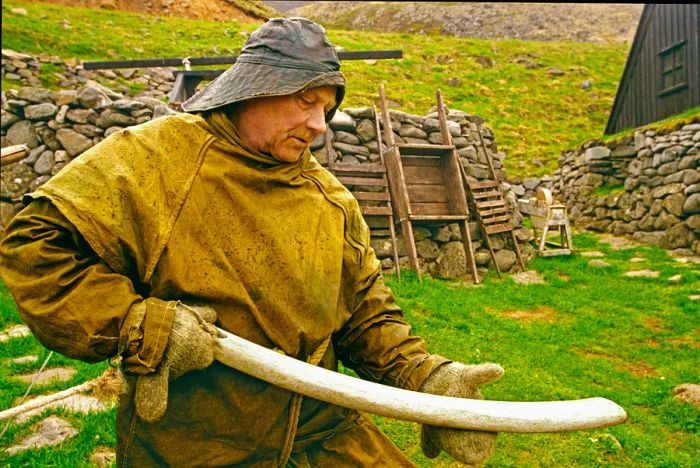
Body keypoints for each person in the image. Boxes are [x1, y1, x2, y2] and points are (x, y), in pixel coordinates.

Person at [0, 17, 504, 467]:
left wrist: (427, 379)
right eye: (305, 101)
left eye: (326, 109)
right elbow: (36, 245)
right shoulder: (154, 158)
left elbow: (364, 312)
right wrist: (136, 326)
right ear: (255, 88)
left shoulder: (330, 200)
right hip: (201, 443)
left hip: (324, 435)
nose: (318, 126)